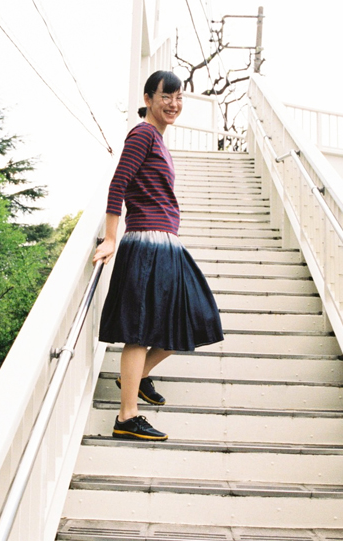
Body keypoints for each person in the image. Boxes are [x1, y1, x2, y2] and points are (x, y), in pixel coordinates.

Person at [93, 70, 223, 441]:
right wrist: (111, 237)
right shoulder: (143, 133)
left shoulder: (159, 140)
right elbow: (118, 184)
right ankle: (127, 416)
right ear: (148, 99)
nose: (173, 104)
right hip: (146, 242)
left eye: (179, 97)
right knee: (139, 330)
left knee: (195, 317)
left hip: (166, 242)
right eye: (166, 96)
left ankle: (137, 376)